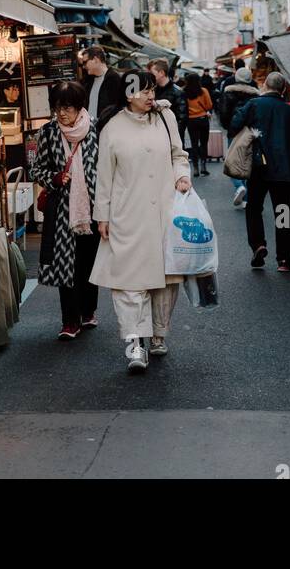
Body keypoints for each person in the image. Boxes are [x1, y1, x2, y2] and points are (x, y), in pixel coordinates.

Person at [91, 69, 191, 372]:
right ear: (128, 94)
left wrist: (182, 176)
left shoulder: (165, 118)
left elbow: (178, 155)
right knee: (128, 282)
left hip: (165, 210)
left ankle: (159, 333)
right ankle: (135, 343)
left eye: (152, 90)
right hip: (128, 215)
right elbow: (104, 175)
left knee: (165, 280)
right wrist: (102, 215)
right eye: (144, 91)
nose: (151, 96)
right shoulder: (112, 128)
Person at [31, 81, 100, 339]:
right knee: (66, 265)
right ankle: (70, 321)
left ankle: (88, 311)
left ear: (79, 107)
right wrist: (54, 178)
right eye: (58, 107)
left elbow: (105, 167)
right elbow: (36, 169)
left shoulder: (95, 129)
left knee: (88, 262)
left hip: (91, 209)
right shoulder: (48, 132)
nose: (61, 113)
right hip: (61, 210)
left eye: (68, 108)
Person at [230, 70, 290, 273]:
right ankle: (284, 259)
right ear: (283, 90)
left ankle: (258, 245)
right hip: (284, 171)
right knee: (282, 211)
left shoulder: (254, 105)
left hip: (259, 167)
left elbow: (233, 125)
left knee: (254, 208)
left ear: (265, 86)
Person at [218, 66, 259, 207]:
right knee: (247, 161)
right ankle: (246, 198)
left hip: (234, 132)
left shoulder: (228, 93)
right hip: (250, 132)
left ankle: (239, 185)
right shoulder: (256, 96)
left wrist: (228, 127)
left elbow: (223, 113)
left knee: (231, 160)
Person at [83, 46, 127, 122]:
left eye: (85, 62)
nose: (84, 66)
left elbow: (118, 107)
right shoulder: (88, 80)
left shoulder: (114, 79)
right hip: (89, 126)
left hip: (106, 125)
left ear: (95, 59)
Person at [148, 58, 187, 141]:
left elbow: (181, 120)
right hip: (154, 137)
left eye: (152, 73)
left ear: (162, 73)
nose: (149, 76)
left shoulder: (178, 92)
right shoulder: (152, 91)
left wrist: (172, 138)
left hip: (171, 139)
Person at [183, 72, 213, 177]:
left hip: (191, 121)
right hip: (203, 119)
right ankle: (203, 166)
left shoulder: (184, 92)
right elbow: (209, 105)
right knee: (204, 144)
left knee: (194, 144)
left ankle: (195, 168)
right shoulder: (203, 91)